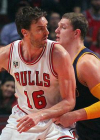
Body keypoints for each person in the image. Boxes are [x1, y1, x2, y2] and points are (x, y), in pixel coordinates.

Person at [0, 7, 76, 140]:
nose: (47, 32)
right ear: (25, 32)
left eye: (46, 27)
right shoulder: (8, 54)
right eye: (40, 29)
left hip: (55, 120)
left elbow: (69, 101)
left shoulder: (58, 54)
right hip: (23, 117)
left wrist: (40, 115)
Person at [54, 12, 100, 140]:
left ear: (76, 33)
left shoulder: (86, 63)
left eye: (63, 27)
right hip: (85, 133)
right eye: (58, 27)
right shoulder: (65, 60)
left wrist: (75, 115)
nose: (56, 31)